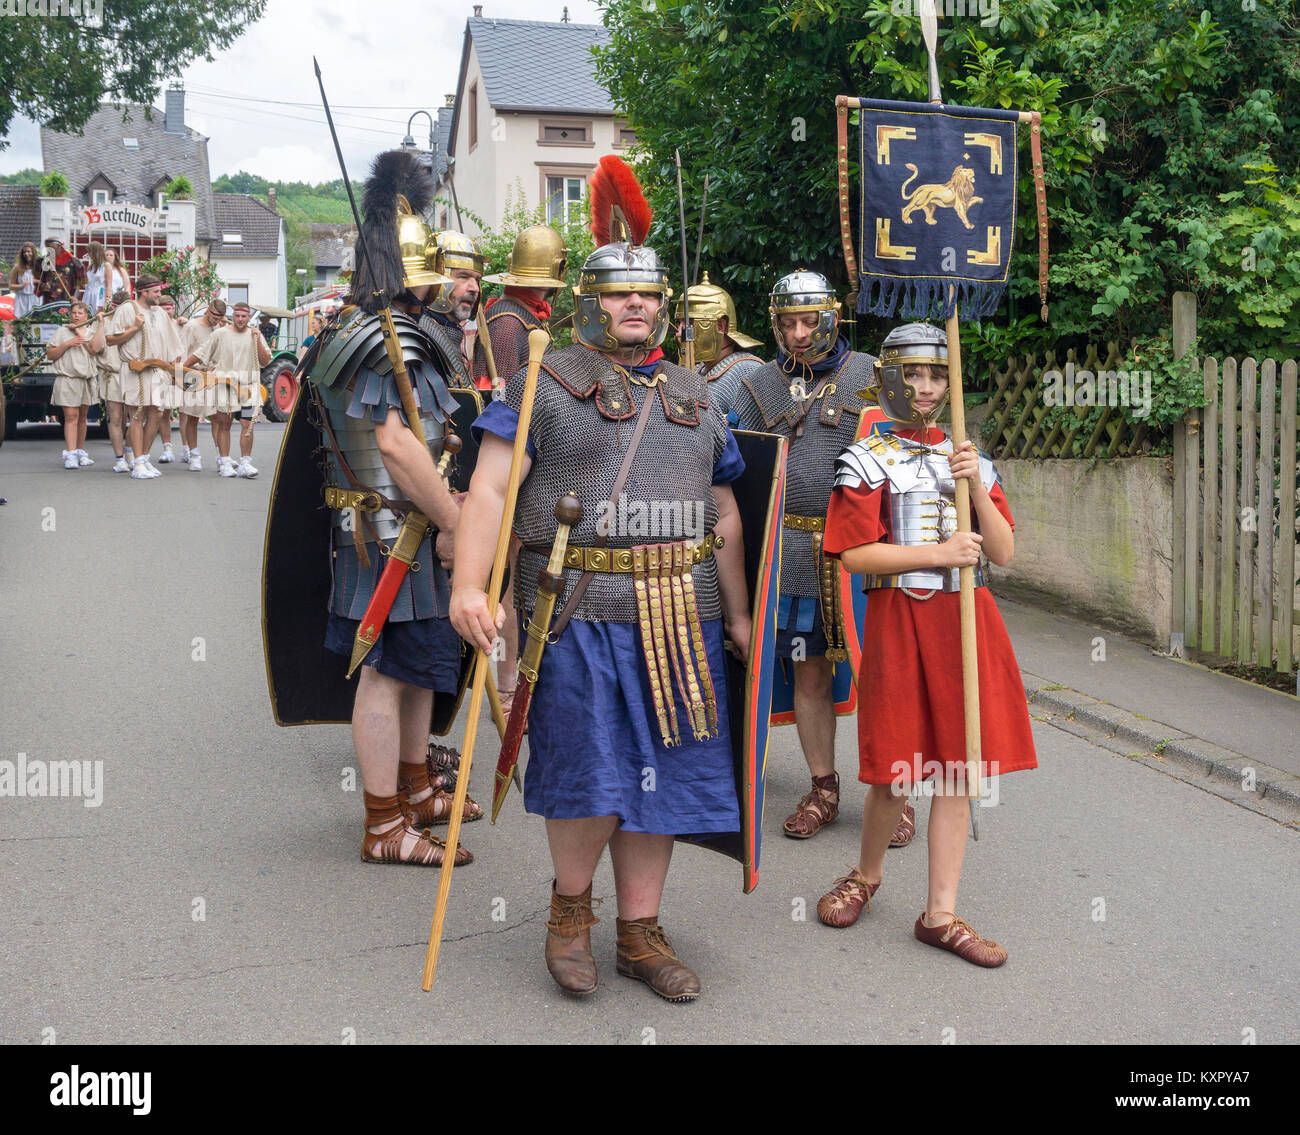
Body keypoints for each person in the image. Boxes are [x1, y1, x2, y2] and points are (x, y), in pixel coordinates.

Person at [453, 156, 751, 1002]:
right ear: (590, 299)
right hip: (577, 611)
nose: (637, 305)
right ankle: (569, 915)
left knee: (662, 779)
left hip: (679, 613)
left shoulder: (698, 392)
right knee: (587, 774)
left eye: (650, 295)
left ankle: (640, 932)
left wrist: (737, 615)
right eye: (622, 294)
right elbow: (490, 488)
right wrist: (470, 587)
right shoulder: (542, 378)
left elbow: (723, 514)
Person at [815, 322, 1038, 966]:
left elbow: (1002, 551)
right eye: (912, 373)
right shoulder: (865, 457)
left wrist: (972, 484)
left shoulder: (969, 457)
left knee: (958, 771)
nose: (925, 386)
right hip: (899, 619)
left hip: (967, 623)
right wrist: (937, 551)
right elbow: (855, 556)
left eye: (937, 374)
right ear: (889, 375)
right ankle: (866, 875)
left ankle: (940, 913)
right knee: (894, 769)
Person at [279, 149, 475, 865]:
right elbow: (394, 443)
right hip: (385, 533)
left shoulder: (367, 329)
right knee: (386, 673)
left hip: (405, 527)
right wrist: (454, 522)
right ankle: (384, 823)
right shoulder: (380, 339)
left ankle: (418, 788)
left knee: (423, 663)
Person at [729, 271, 910, 844]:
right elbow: (734, 467)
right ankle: (823, 786)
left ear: (833, 317)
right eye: (787, 323)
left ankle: (894, 796)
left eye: (809, 321)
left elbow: (905, 459)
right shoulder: (756, 386)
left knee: (879, 674)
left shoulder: (870, 379)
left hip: (859, 556)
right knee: (807, 672)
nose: (798, 334)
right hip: (790, 557)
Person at [472, 224, 569, 710]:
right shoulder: (511, 322)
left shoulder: (518, 313)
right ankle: (508, 687)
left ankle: (512, 681)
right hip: (511, 459)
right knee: (507, 582)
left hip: (519, 457)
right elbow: (514, 398)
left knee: (512, 580)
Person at [105, 272, 183, 480]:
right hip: (135, 369)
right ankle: (137, 462)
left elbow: (173, 344)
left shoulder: (159, 313)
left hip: (158, 370)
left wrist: (174, 369)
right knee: (137, 415)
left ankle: (144, 457)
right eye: (156, 291)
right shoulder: (127, 309)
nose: (159, 295)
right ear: (144, 291)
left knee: (157, 414)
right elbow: (111, 340)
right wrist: (134, 328)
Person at [184, 301, 268, 478]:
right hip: (224, 385)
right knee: (224, 424)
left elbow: (265, 360)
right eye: (237, 316)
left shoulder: (255, 335)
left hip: (248, 386)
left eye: (243, 316)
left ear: (248, 317)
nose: (239, 319)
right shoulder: (220, 334)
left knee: (247, 424)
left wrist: (258, 339)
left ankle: (245, 462)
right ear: (232, 316)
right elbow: (200, 353)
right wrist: (182, 369)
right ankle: (224, 462)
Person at [673, 272, 764, 415]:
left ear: (720, 326)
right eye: (679, 323)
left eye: (689, 323)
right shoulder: (697, 370)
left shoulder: (748, 372)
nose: (679, 333)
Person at [419, 230, 482, 390]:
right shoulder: (422, 337)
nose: (474, 288)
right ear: (439, 277)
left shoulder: (449, 331)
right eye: (463, 276)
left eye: (477, 280)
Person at [45, 301, 103, 468]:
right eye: (74, 313)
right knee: (71, 417)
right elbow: (51, 354)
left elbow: (95, 350)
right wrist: (67, 344)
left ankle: (80, 451)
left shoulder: (91, 332)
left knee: (83, 418)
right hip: (68, 378)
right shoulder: (63, 331)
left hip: (87, 379)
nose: (76, 315)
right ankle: (70, 454)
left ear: (87, 316)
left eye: (80, 313)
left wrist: (81, 334)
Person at [178, 298, 227, 470]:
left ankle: (221, 455)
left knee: (217, 418)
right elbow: (182, 350)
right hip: (194, 374)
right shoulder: (192, 326)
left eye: (219, 318)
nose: (216, 320)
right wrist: (181, 375)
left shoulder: (219, 327)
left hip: (212, 375)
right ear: (208, 311)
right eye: (214, 317)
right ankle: (194, 455)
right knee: (192, 417)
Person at [96, 289, 133, 472]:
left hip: (133, 374)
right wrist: (101, 323)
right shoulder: (105, 324)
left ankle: (130, 451)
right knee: (116, 418)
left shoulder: (134, 323)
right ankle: (119, 459)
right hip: (113, 375)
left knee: (135, 418)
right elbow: (94, 348)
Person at [8, 241, 39, 318]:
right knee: (21, 323)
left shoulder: (39, 266)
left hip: (35, 298)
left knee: (36, 322)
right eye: (24, 252)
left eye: (29, 251)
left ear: (33, 252)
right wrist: (21, 286)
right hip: (22, 299)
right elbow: (11, 286)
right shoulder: (17, 267)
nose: (26, 254)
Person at [81, 241, 107, 315]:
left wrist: (107, 301)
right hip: (88, 294)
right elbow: (86, 283)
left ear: (96, 252)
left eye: (90, 251)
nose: (88, 254)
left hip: (99, 295)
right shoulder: (91, 267)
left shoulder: (105, 265)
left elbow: (109, 285)